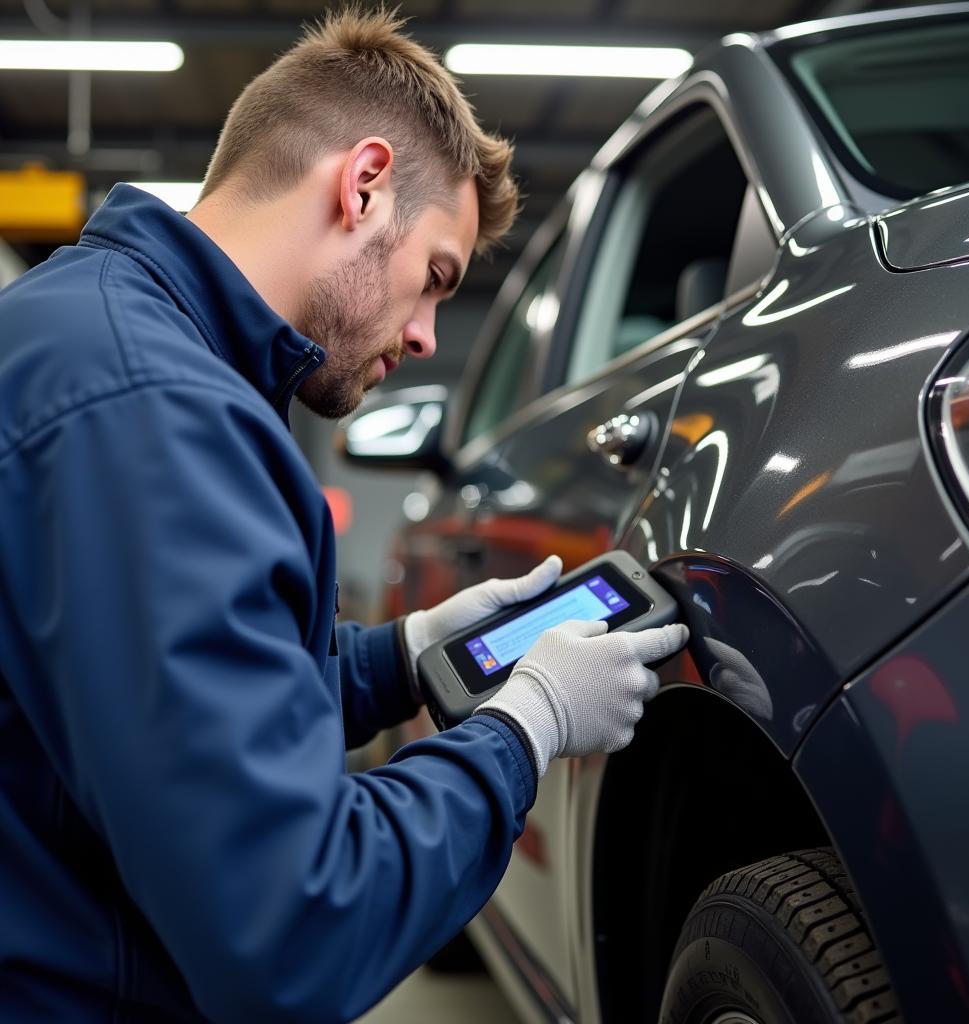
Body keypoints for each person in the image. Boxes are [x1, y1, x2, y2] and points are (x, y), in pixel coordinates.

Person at [0, 9, 687, 1022]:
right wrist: (523, 725)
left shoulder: (100, 333)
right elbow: (292, 933)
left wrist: (398, 659)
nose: (422, 335)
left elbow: (145, 716)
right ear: (362, 184)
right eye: (436, 278)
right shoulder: (157, 414)